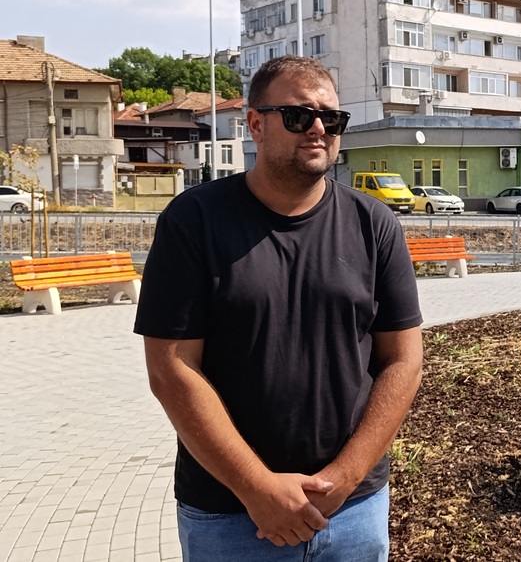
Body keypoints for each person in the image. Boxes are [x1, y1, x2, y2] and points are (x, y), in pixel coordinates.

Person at [135, 55, 423, 562]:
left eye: (331, 118)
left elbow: (403, 361)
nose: (318, 129)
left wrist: (343, 479)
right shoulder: (193, 222)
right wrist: (257, 487)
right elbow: (172, 369)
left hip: (352, 511)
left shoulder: (374, 224)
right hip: (232, 515)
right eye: (298, 115)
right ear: (255, 125)